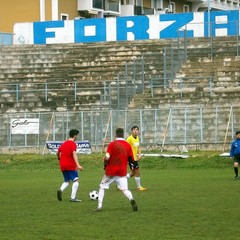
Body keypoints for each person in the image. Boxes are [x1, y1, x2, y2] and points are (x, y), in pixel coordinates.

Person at [96, 127, 138, 212]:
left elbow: (107, 157)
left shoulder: (112, 144)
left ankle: (99, 206)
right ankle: (131, 199)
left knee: (102, 187)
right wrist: (132, 169)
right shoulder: (127, 145)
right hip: (122, 172)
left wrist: (105, 165)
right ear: (123, 135)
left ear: (115, 135)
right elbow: (131, 160)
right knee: (125, 190)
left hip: (111, 172)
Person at [56, 129, 84, 202]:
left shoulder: (64, 143)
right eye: (77, 136)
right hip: (70, 165)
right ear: (75, 136)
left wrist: (59, 158)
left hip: (62, 165)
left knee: (67, 181)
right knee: (76, 180)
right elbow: (74, 154)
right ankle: (73, 198)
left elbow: (57, 152)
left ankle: (61, 189)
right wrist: (78, 165)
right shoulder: (73, 144)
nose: (77, 137)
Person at [126, 125, 147, 191]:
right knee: (137, 172)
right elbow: (125, 147)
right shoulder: (129, 138)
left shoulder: (137, 138)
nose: (135, 131)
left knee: (132, 173)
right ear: (131, 131)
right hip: (131, 158)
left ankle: (119, 182)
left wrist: (139, 154)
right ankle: (139, 187)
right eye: (134, 130)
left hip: (135, 158)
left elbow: (138, 147)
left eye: (136, 130)